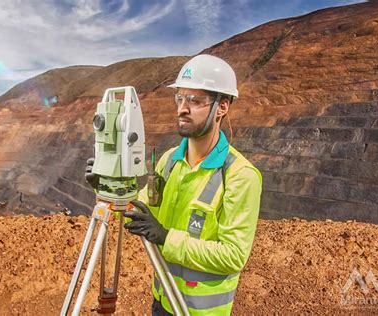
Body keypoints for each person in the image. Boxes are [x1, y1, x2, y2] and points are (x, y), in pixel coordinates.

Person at [87, 54, 262, 315]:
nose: (182, 107)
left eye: (195, 100)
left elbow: (233, 255)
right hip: (162, 300)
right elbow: (140, 215)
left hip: (200, 312)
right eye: (180, 98)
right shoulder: (169, 161)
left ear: (222, 106)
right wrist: (109, 188)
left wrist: (167, 238)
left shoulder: (240, 175)